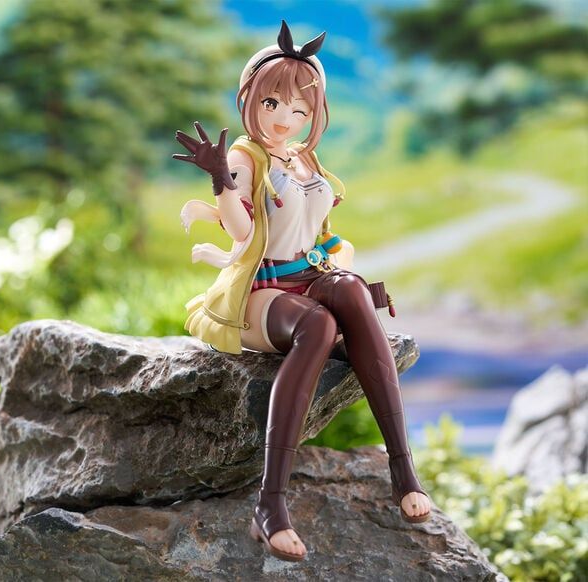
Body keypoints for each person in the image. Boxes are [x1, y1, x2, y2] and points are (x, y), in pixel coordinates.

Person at [173, 20, 431, 563]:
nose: (284, 119)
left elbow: (318, 232)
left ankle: (403, 470)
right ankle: (270, 505)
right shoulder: (245, 158)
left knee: (352, 293)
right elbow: (243, 232)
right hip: (261, 291)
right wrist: (220, 180)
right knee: (320, 325)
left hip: (310, 277)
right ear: (249, 98)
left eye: (300, 110)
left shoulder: (304, 158)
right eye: (272, 104)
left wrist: (338, 270)